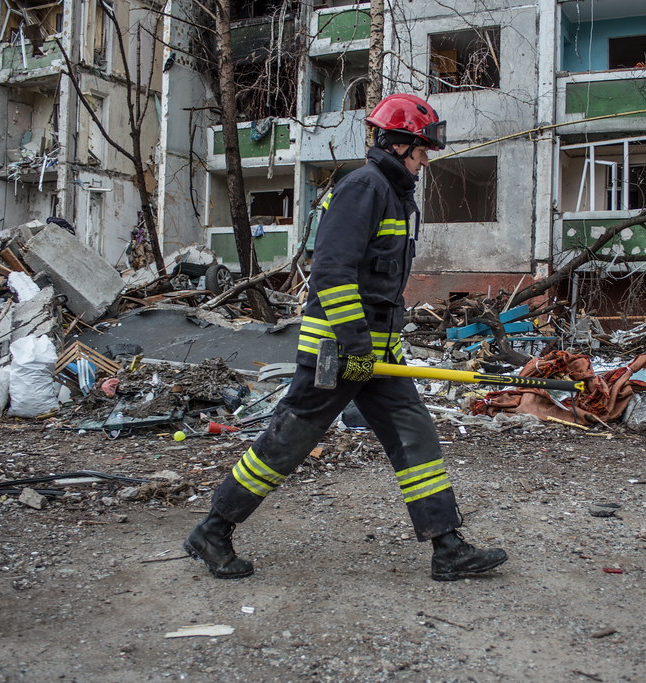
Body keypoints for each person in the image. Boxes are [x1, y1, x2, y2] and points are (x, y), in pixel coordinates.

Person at [184, 93, 508, 582]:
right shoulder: (364, 187)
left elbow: (380, 287)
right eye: (421, 150)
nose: (425, 160)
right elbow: (332, 272)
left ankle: (448, 547)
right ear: (397, 144)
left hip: (375, 352)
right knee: (290, 441)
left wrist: (381, 344)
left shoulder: (394, 193)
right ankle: (212, 530)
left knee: (415, 437)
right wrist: (356, 346)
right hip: (338, 352)